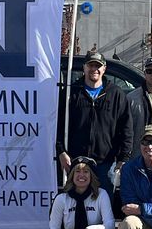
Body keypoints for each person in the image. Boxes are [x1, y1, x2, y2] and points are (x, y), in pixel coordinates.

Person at [56, 50, 132, 193]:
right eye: (90, 65)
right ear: (84, 67)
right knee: (76, 208)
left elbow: (126, 128)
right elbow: (58, 124)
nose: (94, 69)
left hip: (105, 163)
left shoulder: (116, 94)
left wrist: (123, 158)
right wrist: (61, 152)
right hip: (77, 163)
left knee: (103, 209)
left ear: (104, 69)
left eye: (98, 66)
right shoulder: (70, 93)